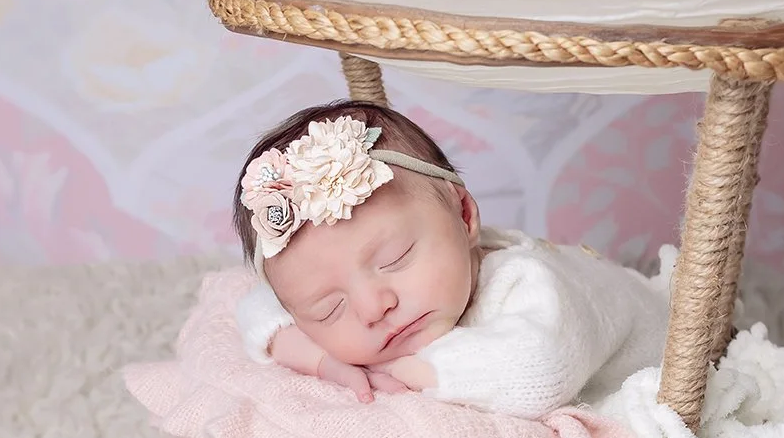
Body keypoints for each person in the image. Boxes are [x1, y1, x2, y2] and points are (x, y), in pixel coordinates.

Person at [232, 100, 670, 414]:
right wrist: (324, 361)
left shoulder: (525, 285)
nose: (373, 307)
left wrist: (403, 371)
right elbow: (259, 309)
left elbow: (539, 373)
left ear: (463, 215)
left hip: (661, 335)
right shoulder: (325, 290)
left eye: (395, 258)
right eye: (330, 308)